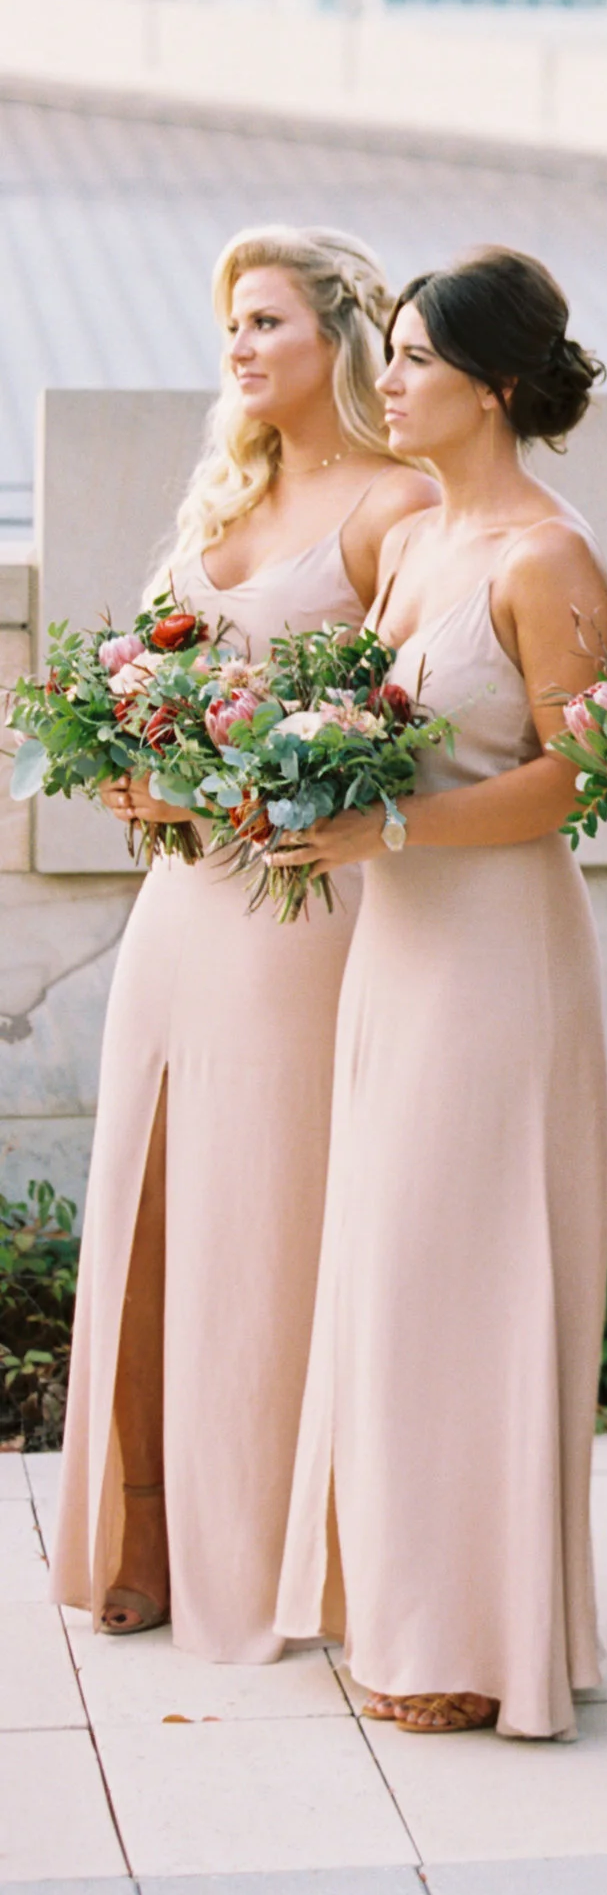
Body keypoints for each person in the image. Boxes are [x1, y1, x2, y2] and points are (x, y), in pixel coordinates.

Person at [51, 228, 432, 1659]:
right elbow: (157, 666)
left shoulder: (402, 506)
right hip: (180, 903)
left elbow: (411, 737)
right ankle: (146, 1520)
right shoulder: (236, 486)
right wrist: (131, 755)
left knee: (269, 1211)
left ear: (341, 333)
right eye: (232, 324)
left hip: (295, 906)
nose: (242, 346)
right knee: (151, 1197)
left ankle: (273, 1540)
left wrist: (235, 779)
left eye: (267, 319)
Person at [273, 249, 607, 1737]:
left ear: (493, 386)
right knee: (394, 1269)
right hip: (396, 942)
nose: (389, 378)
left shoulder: (548, 555)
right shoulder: (415, 547)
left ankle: (480, 1633)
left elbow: (574, 778)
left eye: (413, 358)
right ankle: (401, 1596)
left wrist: (394, 824)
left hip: (493, 943)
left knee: (471, 1273)